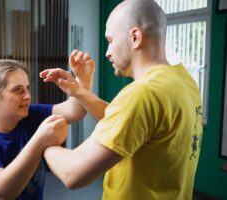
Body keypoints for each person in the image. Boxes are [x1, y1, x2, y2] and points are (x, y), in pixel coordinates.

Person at [39, 0, 203, 199]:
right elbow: (133, 122)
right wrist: (80, 91)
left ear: (134, 37)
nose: (107, 52)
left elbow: (72, 173)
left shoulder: (142, 93)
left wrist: (42, 141)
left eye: (110, 40)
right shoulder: (184, 81)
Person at [0, 59, 91, 200]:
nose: (27, 96)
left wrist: (83, 80)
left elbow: (75, 111)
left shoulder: (29, 115)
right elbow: (1, 192)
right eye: (18, 90)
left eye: (27, 88)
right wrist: (39, 141)